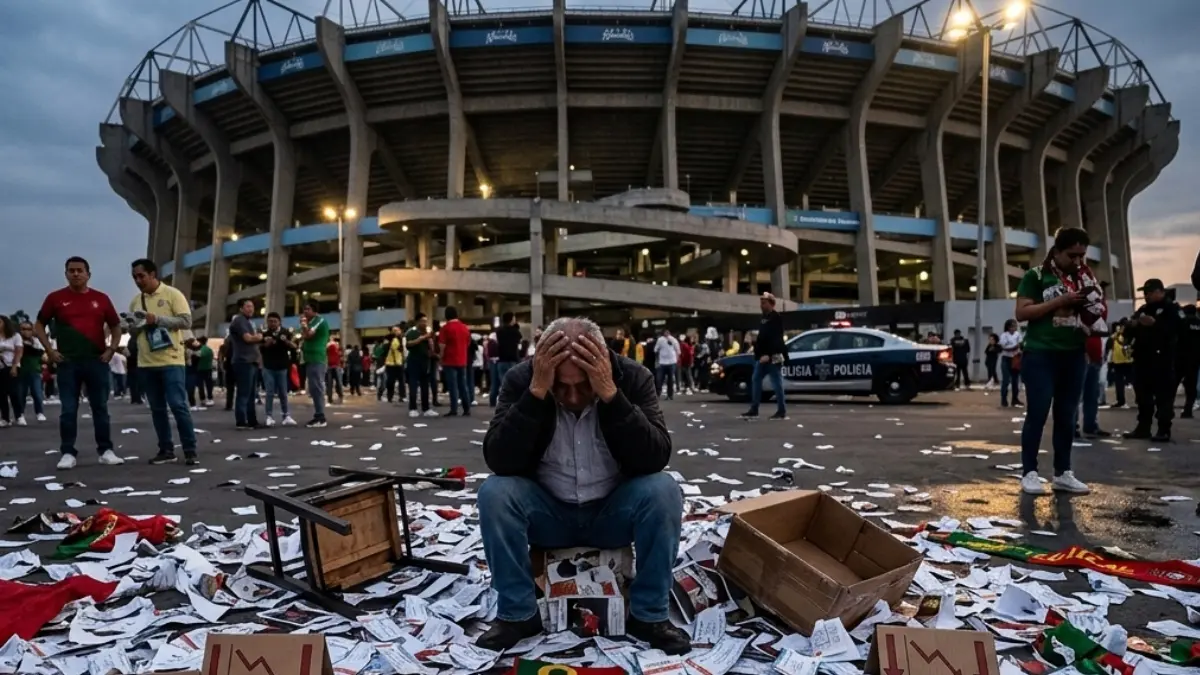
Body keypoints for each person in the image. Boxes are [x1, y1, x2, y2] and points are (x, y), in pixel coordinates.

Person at [475, 318, 687, 654]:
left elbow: (654, 458)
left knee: (663, 490)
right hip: (549, 513)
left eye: (583, 385)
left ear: (602, 364)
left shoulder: (632, 378)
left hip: (611, 512)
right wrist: (536, 394)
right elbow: (500, 461)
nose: (572, 396)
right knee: (495, 493)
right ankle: (518, 613)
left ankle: (649, 615)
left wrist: (610, 396)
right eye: (561, 386)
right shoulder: (521, 379)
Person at [1014, 227, 1097, 495]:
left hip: (1073, 353)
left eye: (1082, 256)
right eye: (1072, 255)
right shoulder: (1036, 276)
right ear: (1058, 251)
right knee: (1038, 412)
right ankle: (1029, 472)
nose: (1077, 261)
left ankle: (1063, 472)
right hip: (1041, 353)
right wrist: (1059, 301)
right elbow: (1022, 312)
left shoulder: (1084, 277)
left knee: (1067, 414)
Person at [34, 257, 123, 469]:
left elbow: (116, 325)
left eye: (80, 270)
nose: (76, 274)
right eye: (71, 270)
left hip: (96, 360)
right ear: (66, 274)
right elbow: (39, 325)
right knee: (68, 409)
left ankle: (106, 450)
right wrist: (50, 350)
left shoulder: (101, 299)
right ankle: (67, 452)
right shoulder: (55, 298)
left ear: (88, 274)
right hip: (68, 362)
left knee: (100, 407)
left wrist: (111, 349)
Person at [128, 259, 198, 465]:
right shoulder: (135, 301)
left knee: (178, 405)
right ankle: (166, 449)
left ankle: (190, 449)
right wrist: (135, 325)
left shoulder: (172, 295)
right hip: (146, 362)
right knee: (157, 409)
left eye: (141, 276)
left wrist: (157, 320)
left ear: (153, 274)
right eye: (134, 277)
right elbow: (133, 330)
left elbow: (186, 321)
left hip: (171, 359)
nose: (138, 280)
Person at [1123, 279, 1182, 442]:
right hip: (1142, 358)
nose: (1146, 295)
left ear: (1160, 292)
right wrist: (1131, 326)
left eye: (1149, 292)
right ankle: (1143, 427)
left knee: (1164, 396)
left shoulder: (1171, 309)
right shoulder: (1143, 309)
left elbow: (1177, 330)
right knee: (1143, 396)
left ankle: (1163, 429)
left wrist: (1155, 324)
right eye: (1145, 292)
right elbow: (1131, 326)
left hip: (1163, 359)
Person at [742, 293, 787, 420]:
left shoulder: (776, 317)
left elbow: (776, 339)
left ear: (771, 304)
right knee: (756, 379)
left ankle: (781, 410)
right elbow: (763, 338)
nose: (761, 305)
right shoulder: (763, 318)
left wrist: (769, 355)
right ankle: (754, 408)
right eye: (761, 303)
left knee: (776, 383)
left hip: (773, 356)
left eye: (764, 303)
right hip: (762, 356)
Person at [228, 299, 264, 430]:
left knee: (251, 393)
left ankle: (252, 420)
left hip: (251, 361)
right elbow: (247, 338)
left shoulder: (249, 322)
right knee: (244, 392)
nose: (251, 309)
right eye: (248, 306)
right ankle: (241, 421)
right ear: (241, 308)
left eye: (252, 306)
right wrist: (259, 337)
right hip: (243, 361)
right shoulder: (239, 320)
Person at [259, 312, 297, 427]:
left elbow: (294, 347)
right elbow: (259, 348)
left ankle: (286, 415)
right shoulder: (264, 333)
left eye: (275, 321)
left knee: (283, 392)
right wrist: (266, 344)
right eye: (270, 321)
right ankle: (269, 416)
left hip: (282, 366)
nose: (272, 323)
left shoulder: (286, 332)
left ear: (279, 322)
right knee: (269, 392)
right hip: (268, 366)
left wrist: (286, 341)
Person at [298, 302, 330, 428]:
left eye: (308, 309)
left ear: (314, 310)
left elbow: (309, 334)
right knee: (313, 388)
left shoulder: (319, 320)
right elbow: (305, 335)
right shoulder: (311, 322)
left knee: (317, 387)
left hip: (317, 357)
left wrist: (304, 325)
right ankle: (318, 415)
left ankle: (320, 417)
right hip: (309, 358)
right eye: (304, 309)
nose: (305, 312)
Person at [439, 306, 472, 416]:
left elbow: (442, 345)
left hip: (449, 360)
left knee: (453, 386)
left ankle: (454, 409)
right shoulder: (465, 327)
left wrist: (441, 357)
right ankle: (466, 408)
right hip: (462, 359)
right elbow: (468, 343)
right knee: (463, 384)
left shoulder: (445, 328)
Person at [405, 313, 437, 418]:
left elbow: (431, 347)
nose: (424, 323)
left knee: (425, 385)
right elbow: (409, 344)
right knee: (413, 385)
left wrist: (431, 343)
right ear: (417, 321)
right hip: (414, 361)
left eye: (425, 321)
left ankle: (426, 408)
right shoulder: (411, 332)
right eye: (422, 321)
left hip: (425, 361)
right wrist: (422, 338)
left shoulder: (428, 332)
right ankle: (413, 408)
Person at [16, 321, 46, 423]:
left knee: (37, 393)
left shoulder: (36, 341)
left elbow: (43, 355)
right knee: (21, 395)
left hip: (35, 371)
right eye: (23, 329)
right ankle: (20, 415)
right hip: (21, 371)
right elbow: (31, 351)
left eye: (28, 329)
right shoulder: (17, 341)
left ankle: (39, 412)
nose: (26, 332)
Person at [492, 312, 521, 407]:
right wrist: (516, 326)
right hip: (512, 360)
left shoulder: (499, 331)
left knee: (503, 383)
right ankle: (512, 402)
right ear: (511, 319)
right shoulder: (515, 332)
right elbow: (519, 338)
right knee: (513, 384)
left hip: (502, 359)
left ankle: (502, 403)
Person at [1177, 304, 1200, 419]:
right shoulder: (1199, 323)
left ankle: (1166, 411)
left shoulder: (1183, 322)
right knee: (1191, 387)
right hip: (1195, 359)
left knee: (1172, 384)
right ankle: (1188, 410)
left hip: (1181, 357)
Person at [0, 317, 21, 428]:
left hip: (11, 365)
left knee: (13, 392)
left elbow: (18, 351)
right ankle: (5, 418)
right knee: (1, 394)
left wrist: (14, 366)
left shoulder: (15, 336)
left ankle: (19, 415)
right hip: (0, 367)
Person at [1108, 319, 1133, 409]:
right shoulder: (1120, 334)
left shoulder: (1118, 334)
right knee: (1121, 382)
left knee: (1120, 382)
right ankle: (1121, 400)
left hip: (1121, 360)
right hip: (1126, 360)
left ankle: (1121, 400)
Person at [998, 319, 1023, 407]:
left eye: (1015, 326)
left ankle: (1015, 399)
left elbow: (1020, 345)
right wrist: (1014, 347)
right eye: (1012, 326)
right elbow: (1004, 347)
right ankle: (1004, 399)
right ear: (1008, 327)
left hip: (1015, 359)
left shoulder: (1017, 335)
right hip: (1006, 359)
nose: (1014, 328)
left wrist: (1015, 347)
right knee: (1006, 380)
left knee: (1015, 380)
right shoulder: (1004, 335)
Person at [653, 329, 680, 400]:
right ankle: (658, 393)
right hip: (662, 362)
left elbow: (678, 350)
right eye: (665, 332)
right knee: (659, 379)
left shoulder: (673, 340)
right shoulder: (660, 340)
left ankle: (670, 395)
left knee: (670, 380)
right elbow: (655, 350)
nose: (666, 334)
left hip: (672, 362)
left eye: (668, 332)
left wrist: (676, 360)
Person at [383, 325, 406, 403]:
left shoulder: (402, 339)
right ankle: (390, 396)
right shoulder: (388, 339)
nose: (396, 332)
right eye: (394, 330)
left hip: (399, 363)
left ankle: (402, 396)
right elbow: (385, 349)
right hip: (390, 363)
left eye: (397, 330)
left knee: (401, 381)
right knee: (390, 381)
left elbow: (403, 350)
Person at [196, 337, 215, 405]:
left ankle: (203, 399)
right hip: (208, 369)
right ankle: (210, 398)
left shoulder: (201, 349)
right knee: (209, 385)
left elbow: (199, 355)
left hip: (200, 369)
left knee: (200, 385)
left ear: (200, 342)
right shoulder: (209, 349)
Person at [326, 339, 344, 405]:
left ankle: (330, 398)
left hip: (329, 366)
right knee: (339, 382)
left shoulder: (327, 348)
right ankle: (340, 395)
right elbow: (340, 356)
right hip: (336, 366)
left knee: (329, 384)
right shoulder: (337, 348)